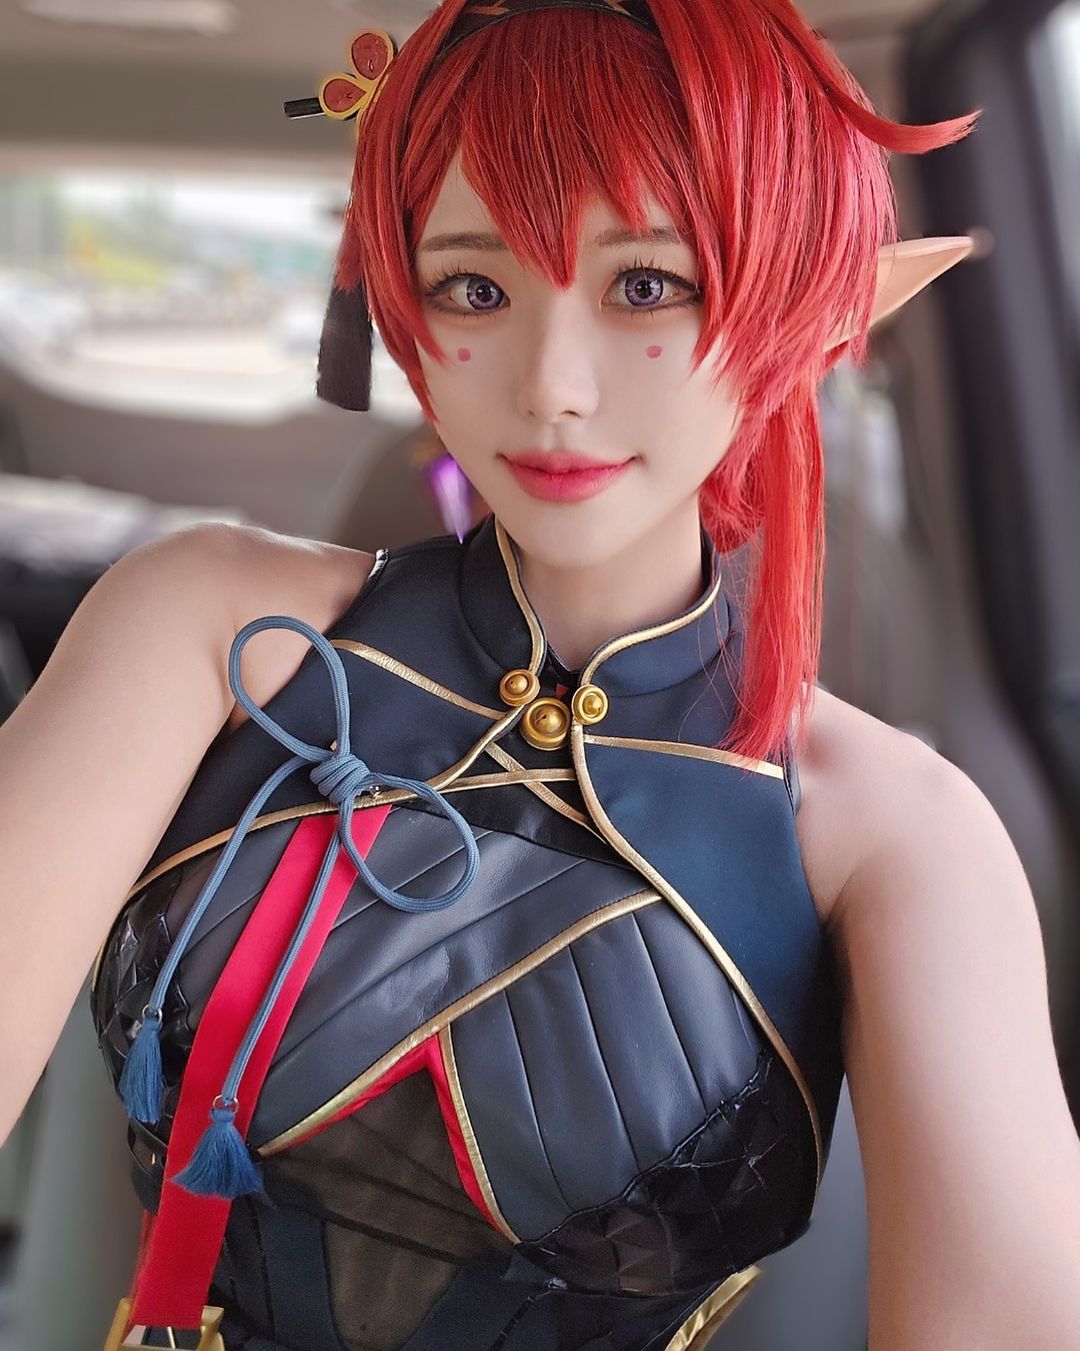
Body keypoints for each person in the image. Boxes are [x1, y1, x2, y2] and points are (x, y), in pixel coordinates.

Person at [2, 1, 1079, 1348]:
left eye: (646, 284)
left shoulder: (895, 832)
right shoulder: (208, 631)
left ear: (788, 304)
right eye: (474, 288)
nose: (551, 385)